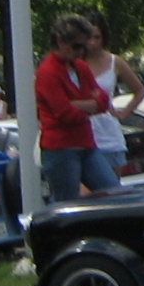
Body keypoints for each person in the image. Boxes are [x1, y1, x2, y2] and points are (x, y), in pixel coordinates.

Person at [34, 14, 112, 203]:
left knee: (114, 193)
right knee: (68, 204)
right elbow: (66, 114)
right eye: (76, 46)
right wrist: (91, 104)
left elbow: (104, 100)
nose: (81, 51)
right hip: (60, 150)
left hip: (86, 144)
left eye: (84, 46)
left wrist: (79, 104)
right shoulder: (48, 71)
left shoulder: (81, 67)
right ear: (60, 42)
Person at [82, 13, 144, 190]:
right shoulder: (74, 63)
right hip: (82, 135)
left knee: (111, 192)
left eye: (97, 37)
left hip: (109, 136)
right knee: (84, 195)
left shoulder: (114, 62)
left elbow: (139, 90)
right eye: (89, 38)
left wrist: (124, 113)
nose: (93, 43)